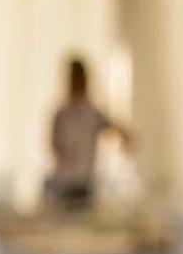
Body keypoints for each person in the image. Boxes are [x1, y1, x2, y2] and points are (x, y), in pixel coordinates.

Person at [48, 57, 127, 208]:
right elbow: (53, 144)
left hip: (86, 183)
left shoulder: (92, 112)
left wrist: (125, 137)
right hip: (64, 182)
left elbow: (116, 130)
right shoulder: (61, 113)